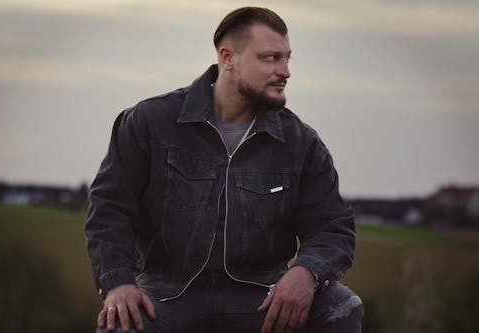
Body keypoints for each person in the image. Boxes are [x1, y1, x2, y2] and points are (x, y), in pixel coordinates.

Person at [85, 6, 363, 333]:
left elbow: (333, 227)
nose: (285, 71)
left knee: (342, 308)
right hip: (168, 294)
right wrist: (118, 283)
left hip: (263, 295)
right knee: (120, 324)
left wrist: (305, 273)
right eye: (271, 58)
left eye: (288, 58)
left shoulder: (301, 143)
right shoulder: (149, 122)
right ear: (228, 58)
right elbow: (110, 209)